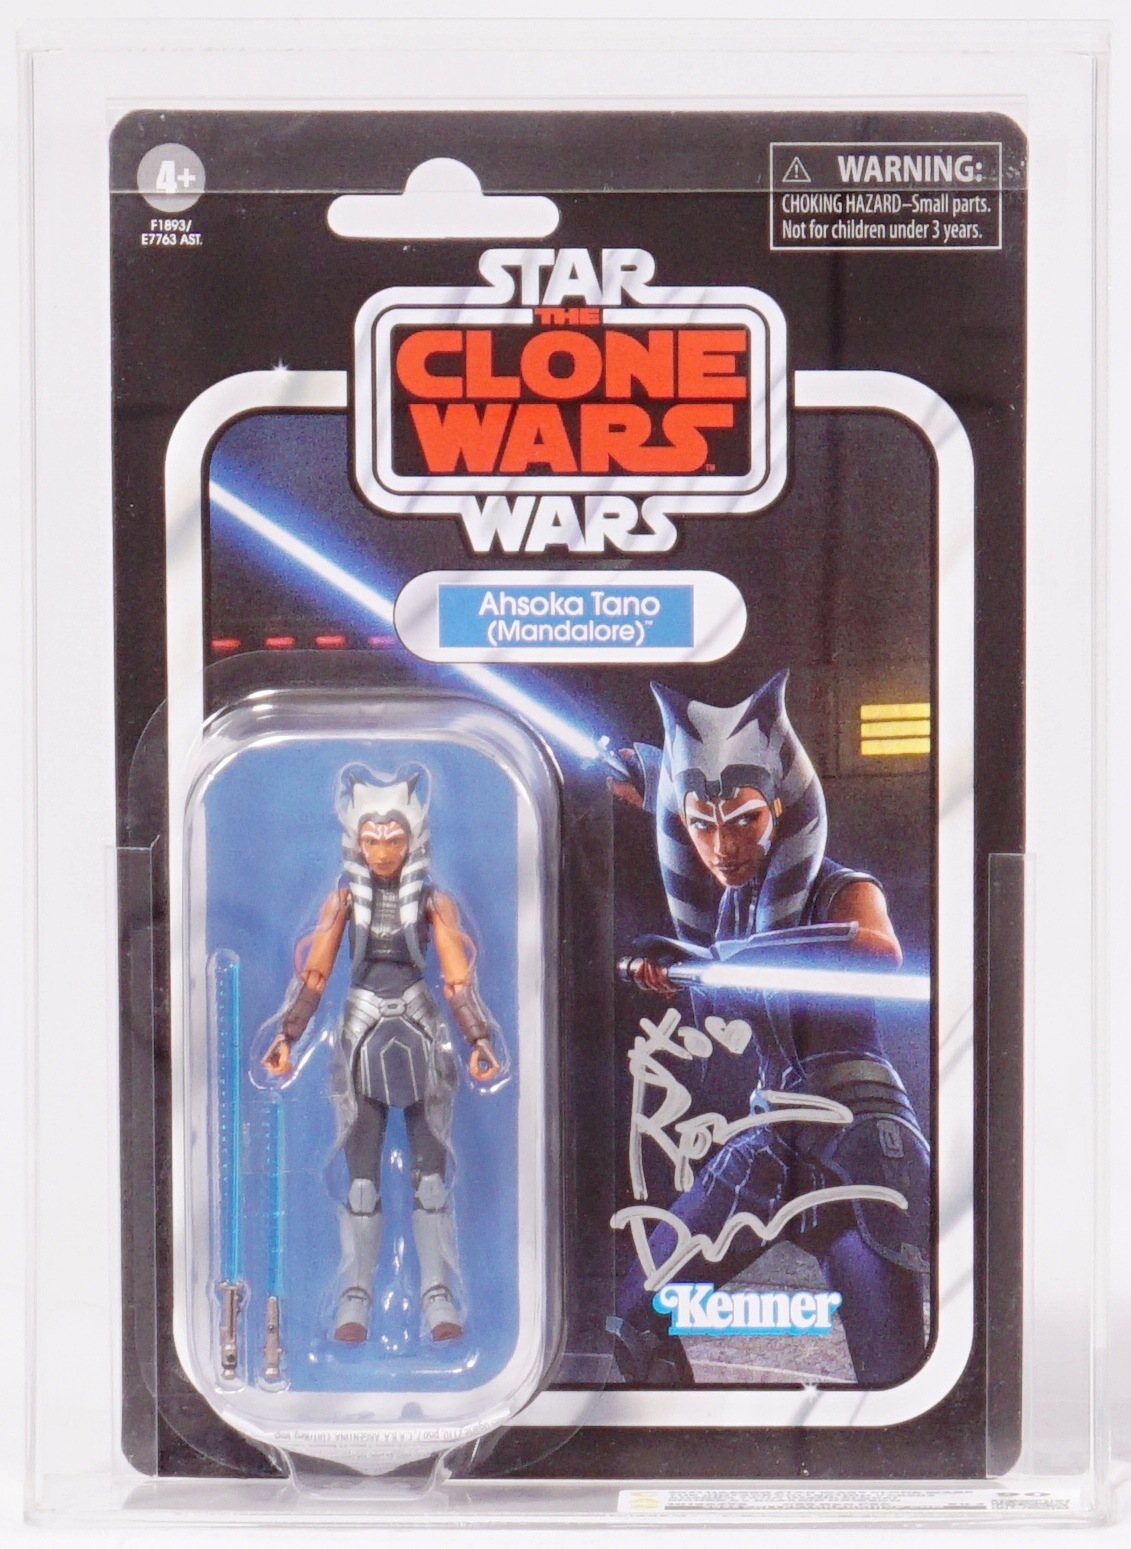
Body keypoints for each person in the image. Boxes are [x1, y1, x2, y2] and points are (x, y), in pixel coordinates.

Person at [607, 671, 930, 1386]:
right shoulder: (731, 909)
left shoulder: (840, 886)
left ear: (779, 810)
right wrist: (674, 966)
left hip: (858, 1138)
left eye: (744, 822)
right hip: (770, 1135)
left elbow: (881, 953)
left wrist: (727, 958)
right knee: (633, 1320)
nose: (722, 845)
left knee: (895, 1368)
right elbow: (706, 795)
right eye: (702, 826)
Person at [262, 765, 501, 1345]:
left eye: (394, 840)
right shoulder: (343, 901)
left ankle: (437, 1293)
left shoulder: (433, 902)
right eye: (373, 841)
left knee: (431, 1180)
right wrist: (288, 1033)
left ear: (412, 841)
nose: (384, 851)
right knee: (362, 1181)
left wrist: (478, 1038)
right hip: (361, 1034)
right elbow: (315, 973)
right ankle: (356, 1294)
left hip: (419, 1029)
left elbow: (457, 978)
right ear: (357, 842)